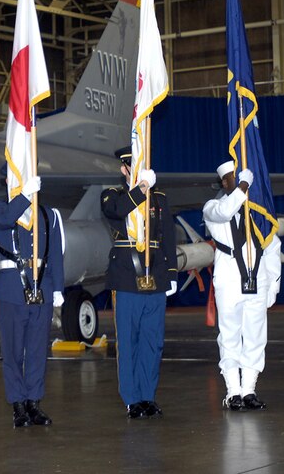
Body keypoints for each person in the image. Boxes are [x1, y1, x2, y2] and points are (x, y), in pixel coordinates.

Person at [100, 146, 178, 419]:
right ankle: (132, 399)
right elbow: (119, 210)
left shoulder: (159, 198)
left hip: (155, 275)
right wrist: (142, 187)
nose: (137, 171)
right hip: (126, 276)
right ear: (124, 169)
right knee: (128, 341)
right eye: (133, 166)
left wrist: (172, 274)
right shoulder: (112, 195)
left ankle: (148, 396)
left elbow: (168, 236)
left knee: (152, 341)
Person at [0, 167, 65, 428]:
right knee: (13, 352)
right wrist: (24, 195)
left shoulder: (49, 215)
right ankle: (18, 405)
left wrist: (57, 288)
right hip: (11, 289)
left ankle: (34, 402)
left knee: (37, 350)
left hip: (42, 288)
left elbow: (56, 254)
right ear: (7, 180)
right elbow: (6, 221)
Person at [203, 161, 281, 411]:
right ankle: (232, 392)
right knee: (230, 337)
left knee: (256, 337)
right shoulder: (212, 207)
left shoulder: (258, 214)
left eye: (240, 178)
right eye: (233, 179)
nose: (237, 182)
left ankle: (249, 390)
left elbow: (272, 247)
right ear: (224, 182)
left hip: (258, 281)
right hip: (229, 283)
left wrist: (273, 285)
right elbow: (225, 212)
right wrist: (244, 186)